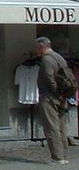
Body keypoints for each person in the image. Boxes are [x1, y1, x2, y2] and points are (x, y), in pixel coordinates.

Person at [36, 36, 71, 164]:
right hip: (62, 96)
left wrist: (56, 93)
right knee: (61, 127)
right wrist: (62, 94)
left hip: (50, 96)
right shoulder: (59, 57)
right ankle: (64, 155)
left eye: (37, 47)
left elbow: (50, 79)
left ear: (41, 46)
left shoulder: (46, 59)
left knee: (51, 127)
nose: (36, 50)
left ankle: (57, 157)